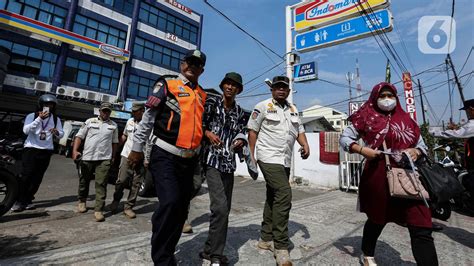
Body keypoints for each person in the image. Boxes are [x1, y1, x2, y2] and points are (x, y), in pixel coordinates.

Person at [339, 82, 438, 266]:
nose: (386, 99)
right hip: (378, 176)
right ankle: (367, 253)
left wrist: (416, 152)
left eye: (390, 96)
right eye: (382, 96)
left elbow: (422, 146)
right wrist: (361, 150)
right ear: (375, 98)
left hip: (409, 177)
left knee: (422, 225)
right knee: (377, 218)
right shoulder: (365, 117)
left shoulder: (408, 120)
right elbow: (345, 138)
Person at [128, 49, 207, 265]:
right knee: (170, 203)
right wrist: (136, 147)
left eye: (197, 64)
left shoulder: (202, 94)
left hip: (189, 160)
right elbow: (148, 117)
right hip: (164, 154)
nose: (192, 66)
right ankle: (162, 259)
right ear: (182, 65)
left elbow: (200, 126)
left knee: (181, 209)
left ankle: (168, 250)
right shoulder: (167, 84)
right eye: (189, 62)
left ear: (202, 69)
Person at [247, 75, 310, 266]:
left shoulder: (293, 109)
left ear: (288, 91)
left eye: (284, 87)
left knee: (273, 197)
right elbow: (252, 131)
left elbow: (299, 130)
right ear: (272, 90)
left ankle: (265, 239)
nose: (281, 90)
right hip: (268, 157)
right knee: (284, 194)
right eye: (278, 87)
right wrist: (252, 156)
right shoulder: (262, 106)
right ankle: (281, 246)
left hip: (285, 159)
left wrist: (305, 145)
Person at [198, 72, 247, 265]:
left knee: (223, 210)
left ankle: (209, 249)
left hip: (229, 163)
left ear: (239, 90)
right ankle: (216, 256)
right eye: (227, 83)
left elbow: (242, 132)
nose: (230, 87)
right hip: (211, 161)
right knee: (220, 208)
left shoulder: (240, 112)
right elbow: (199, 125)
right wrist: (208, 132)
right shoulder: (211, 104)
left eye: (234, 85)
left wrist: (240, 140)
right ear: (222, 86)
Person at [11, 94, 64, 212]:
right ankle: (19, 200)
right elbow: (26, 130)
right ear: (40, 105)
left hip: (46, 150)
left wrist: (56, 132)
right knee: (26, 175)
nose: (48, 107)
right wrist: (39, 119)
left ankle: (28, 199)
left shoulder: (56, 119)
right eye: (46, 105)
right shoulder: (32, 116)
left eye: (51, 105)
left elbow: (61, 134)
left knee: (37, 177)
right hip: (31, 148)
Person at [72, 102, 119, 222]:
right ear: (99, 111)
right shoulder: (89, 121)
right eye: (104, 110)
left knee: (101, 183)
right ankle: (82, 201)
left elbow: (115, 143)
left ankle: (99, 210)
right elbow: (79, 136)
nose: (105, 113)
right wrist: (75, 150)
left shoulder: (114, 125)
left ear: (110, 112)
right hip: (88, 157)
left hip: (104, 158)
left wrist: (113, 157)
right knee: (84, 181)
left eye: (108, 111)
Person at [430, 99, 474, 201]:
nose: (467, 114)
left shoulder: (472, 125)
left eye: (466, 111)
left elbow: (456, 133)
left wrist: (433, 133)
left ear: (471, 109)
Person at [109, 102, 146, 219]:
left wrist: (148, 158)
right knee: (121, 180)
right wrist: (116, 148)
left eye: (135, 111)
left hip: (141, 157)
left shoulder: (148, 124)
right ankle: (116, 201)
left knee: (136, 183)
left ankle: (129, 207)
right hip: (126, 154)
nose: (133, 113)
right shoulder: (129, 121)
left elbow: (150, 142)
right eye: (133, 112)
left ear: (142, 111)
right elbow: (125, 136)